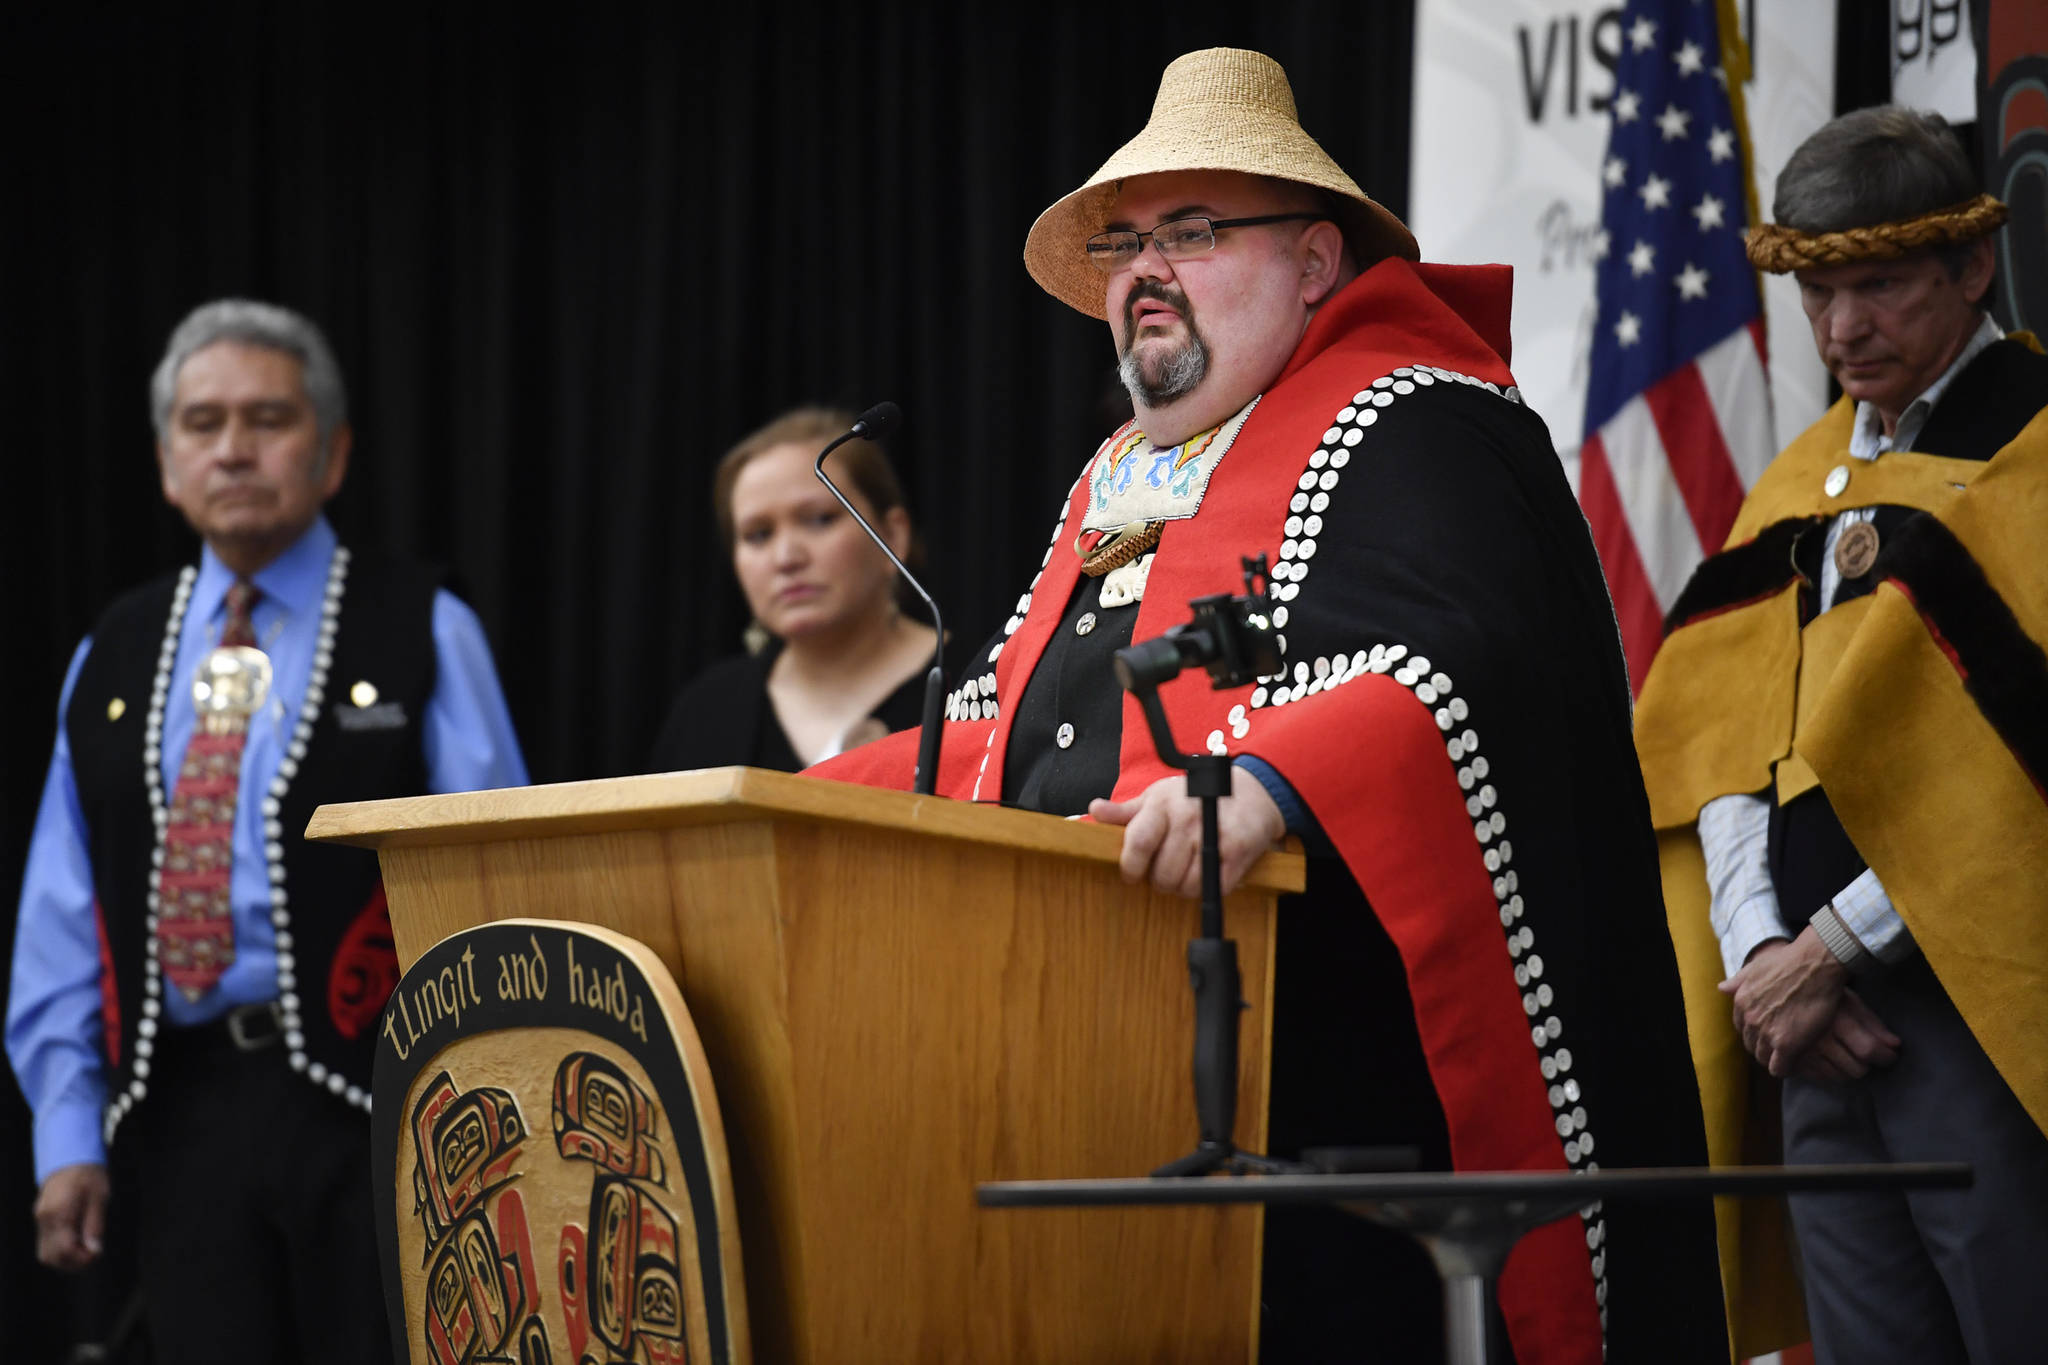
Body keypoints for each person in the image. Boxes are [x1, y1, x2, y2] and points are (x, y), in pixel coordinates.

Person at [812, 47, 1726, 1361]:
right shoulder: (1120, 476)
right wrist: (782, 809)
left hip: (1336, 1093)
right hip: (1092, 1050)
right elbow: (1004, 725)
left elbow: (1471, 660)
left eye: (1191, 231)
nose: (1145, 270)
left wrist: (1270, 782)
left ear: (1313, 261)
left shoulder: (1424, 419)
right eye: (1125, 243)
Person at [7, 298, 529, 1363]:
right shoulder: (113, 651)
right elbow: (62, 909)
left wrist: (493, 1107)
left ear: (332, 455)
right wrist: (65, 1132)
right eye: (202, 424)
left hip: (390, 1108)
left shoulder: (423, 624)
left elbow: (501, 886)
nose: (234, 450)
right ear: (167, 464)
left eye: (268, 419)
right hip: (178, 1109)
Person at [1635, 106, 2048, 1364]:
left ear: (1969, 268)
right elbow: (1717, 744)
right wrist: (1764, 953)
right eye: (1816, 294)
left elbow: (2016, 767)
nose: (1840, 330)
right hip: (1804, 1037)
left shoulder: (2035, 453)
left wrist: (1829, 950)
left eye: (1877, 287)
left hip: (1984, 1016)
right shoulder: (1791, 478)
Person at [647, 407, 947, 773]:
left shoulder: (982, 685)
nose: (786, 558)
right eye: (759, 534)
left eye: (819, 519)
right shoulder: (705, 712)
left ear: (893, 536)